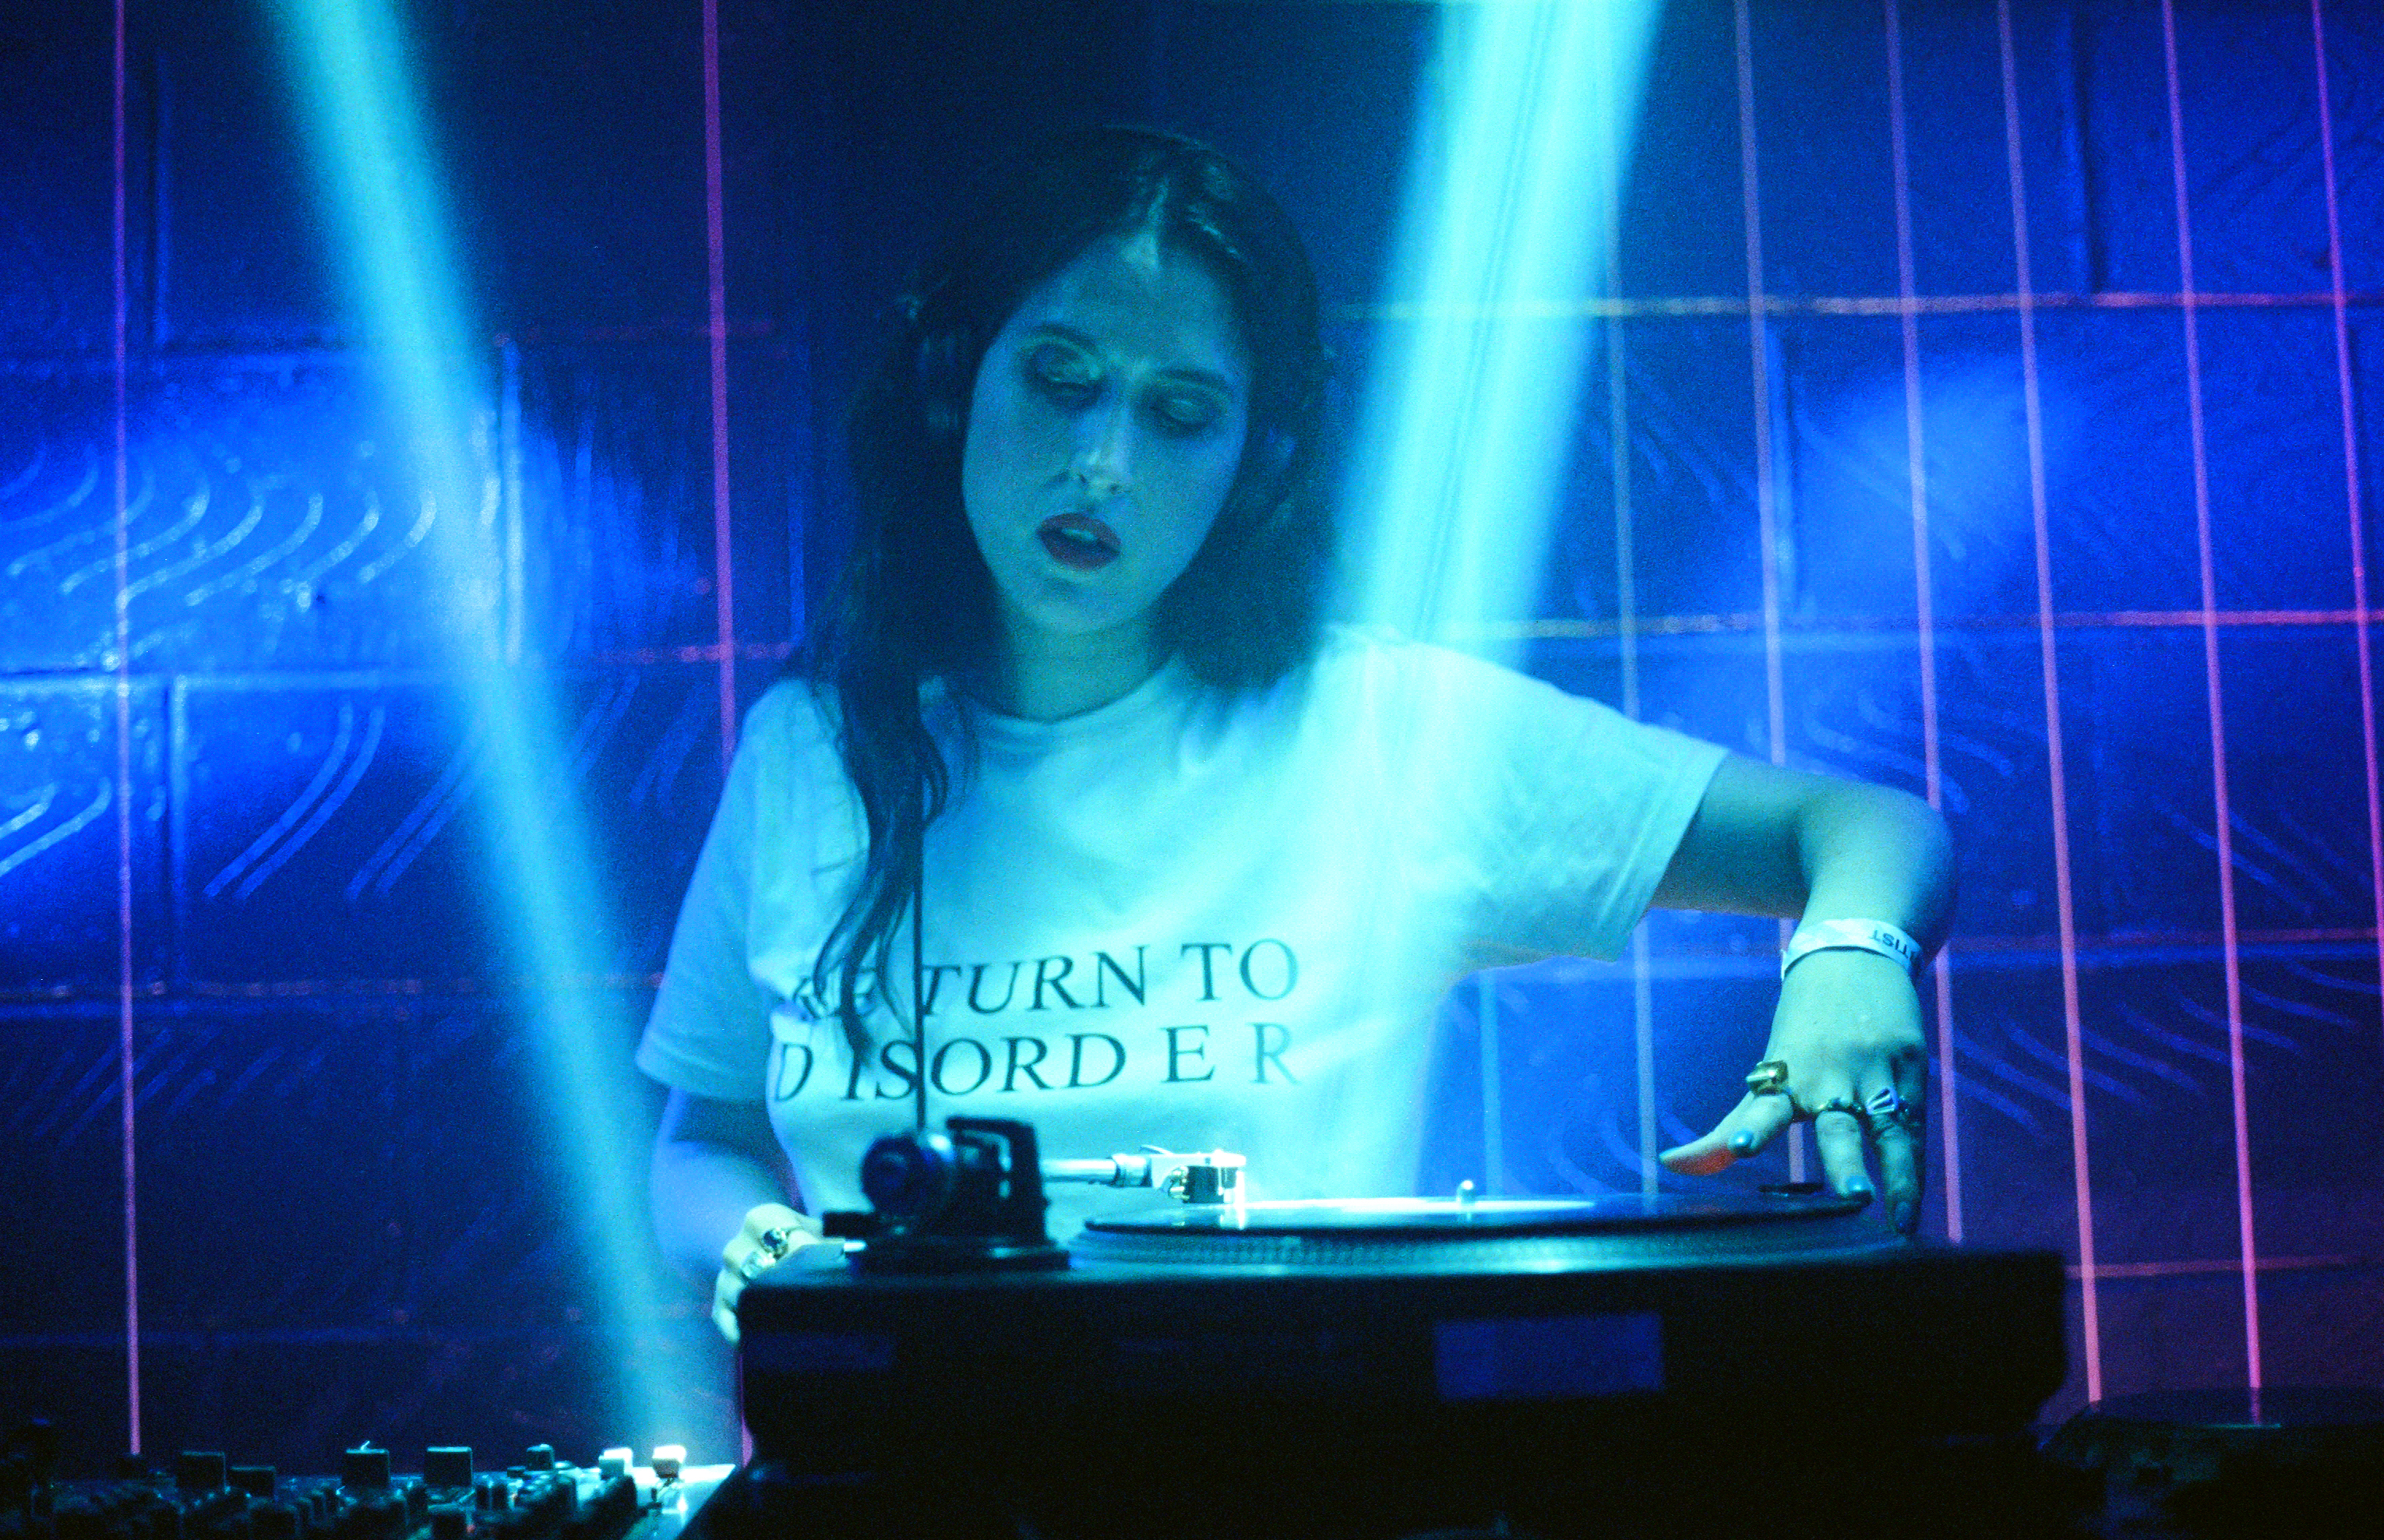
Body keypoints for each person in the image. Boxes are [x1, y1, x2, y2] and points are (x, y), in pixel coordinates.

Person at [637, 128, 1953, 1338]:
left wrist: (1852, 956)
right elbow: (703, 1141)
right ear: (951, 381)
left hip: (1291, 1478)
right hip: (895, 1485)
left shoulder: (1378, 733)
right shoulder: (808, 754)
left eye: (1178, 415)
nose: (1103, 462)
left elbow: (1866, 829)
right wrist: (759, 1246)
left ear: (1255, 461)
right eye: (1060, 379)